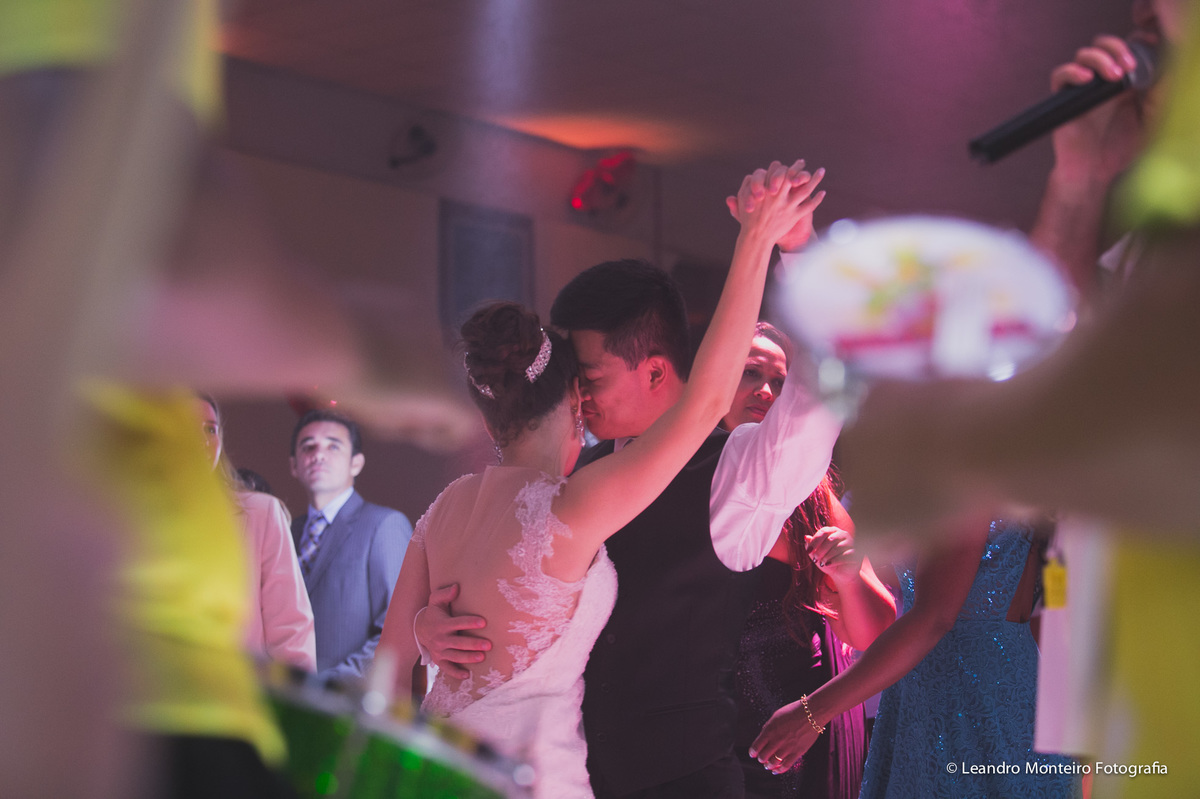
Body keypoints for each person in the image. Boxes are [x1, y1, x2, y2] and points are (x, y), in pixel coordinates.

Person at [376, 160, 831, 799]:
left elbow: (824, 391)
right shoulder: (571, 484)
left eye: (586, 378)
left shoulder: (735, 469)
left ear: (651, 372)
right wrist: (429, 629)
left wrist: (798, 248)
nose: (576, 397)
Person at [749, 518, 1081, 798]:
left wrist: (813, 713)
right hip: (981, 685)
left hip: (968, 701)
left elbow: (934, 617)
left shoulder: (967, 471)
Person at [724, 323, 895, 799]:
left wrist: (847, 579)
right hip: (695, 724)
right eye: (749, 373)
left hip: (786, 736)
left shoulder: (812, 499)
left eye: (780, 382)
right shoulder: (671, 473)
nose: (765, 390)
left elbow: (873, 634)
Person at [289, 409, 412, 682]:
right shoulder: (288, 531)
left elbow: (397, 629)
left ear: (356, 463)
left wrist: (332, 684)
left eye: (333, 446)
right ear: (294, 465)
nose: (318, 455)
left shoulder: (384, 525)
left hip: (347, 703)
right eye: (308, 446)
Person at [196, 395, 316, 672]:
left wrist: (290, 709)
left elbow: (291, 628)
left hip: (239, 693)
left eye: (210, 429)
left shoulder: (260, 513)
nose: (202, 441)